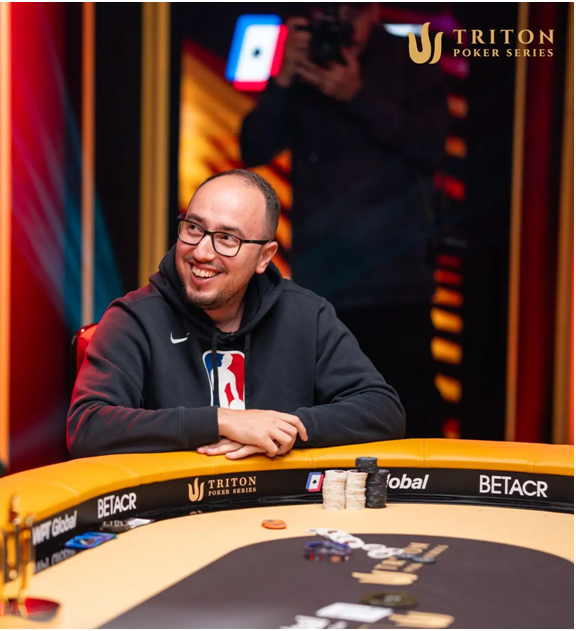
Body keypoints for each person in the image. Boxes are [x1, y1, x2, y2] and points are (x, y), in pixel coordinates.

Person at [67, 169, 405, 459]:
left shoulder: (306, 315)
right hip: (175, 507)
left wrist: (283, 430)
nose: (202, 252)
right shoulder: (133, 318)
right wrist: (221, 421)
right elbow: (88, 426)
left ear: (264, 257)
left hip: (280, 506)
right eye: (193, 228)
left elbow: (383, 410)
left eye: (227, 238)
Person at [239, 2, 449, 438]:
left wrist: (357, 96)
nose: (339, 23)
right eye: (328, 11)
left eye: (350, 12)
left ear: (372, 11)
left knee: (411, 405)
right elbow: (254, 147)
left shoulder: (410, 59)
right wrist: (282, 78)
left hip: (395, 279)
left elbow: (431, 147)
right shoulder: (304, 59)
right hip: (323, 279)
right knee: (320, 408)